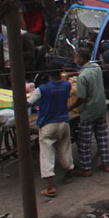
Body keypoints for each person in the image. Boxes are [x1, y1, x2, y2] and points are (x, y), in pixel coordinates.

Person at [27, 62, 74, 197]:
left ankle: (51, 187)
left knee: (46, 154)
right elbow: (69, 96)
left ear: (48, 74)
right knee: (65, 149)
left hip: (48, 125)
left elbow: (28, 102)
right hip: (64, 122)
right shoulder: (66, 85)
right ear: (60, 73)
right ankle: (69, 173)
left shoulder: (43, 89)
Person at [67, 47, 109, 177]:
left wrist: (70, 108)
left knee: (84, 142)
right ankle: (106, 164)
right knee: (102, 137)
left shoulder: (82, 77)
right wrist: (74, 74)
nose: (74, 59)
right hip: (100, 107)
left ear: (80, 58)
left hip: (88, 111)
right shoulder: (96, 67)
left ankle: (86, 168)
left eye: (76, 57)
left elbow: (81, 98)